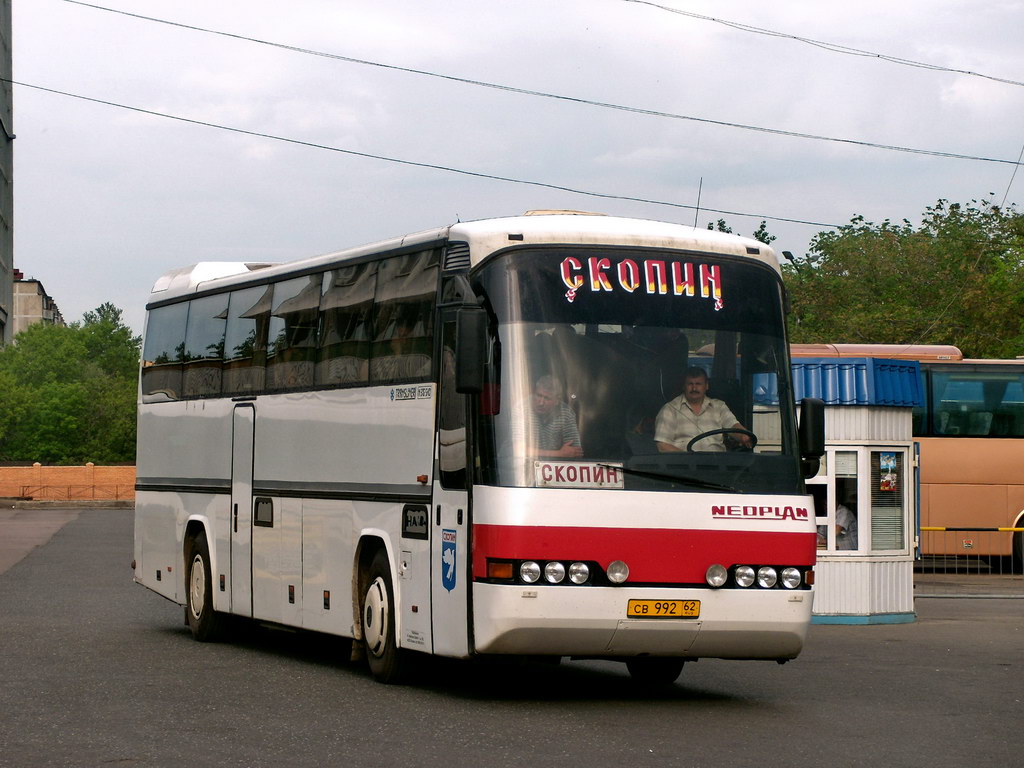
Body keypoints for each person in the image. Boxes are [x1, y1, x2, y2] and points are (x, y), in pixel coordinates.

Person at [654, 366, 750, 453]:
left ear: (706, 386)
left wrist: (744, 436)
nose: (694, 388)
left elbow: (733, 425)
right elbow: (662, 446)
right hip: (683, 468)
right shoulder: (669, 410)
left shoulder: (719, 406)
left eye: (698, 384)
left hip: (718, 466)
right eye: (690, 384)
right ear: (683, 386)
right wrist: (689, 459)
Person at [522, 374, 583, 458]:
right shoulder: (522, 409)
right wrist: (559, 454)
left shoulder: (566, 413)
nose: (541, 403)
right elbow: (517, 449)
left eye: (547, 398)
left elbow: (574, 452)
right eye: (538, 395)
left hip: (554, 468)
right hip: (522, 466)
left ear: (557, 401)